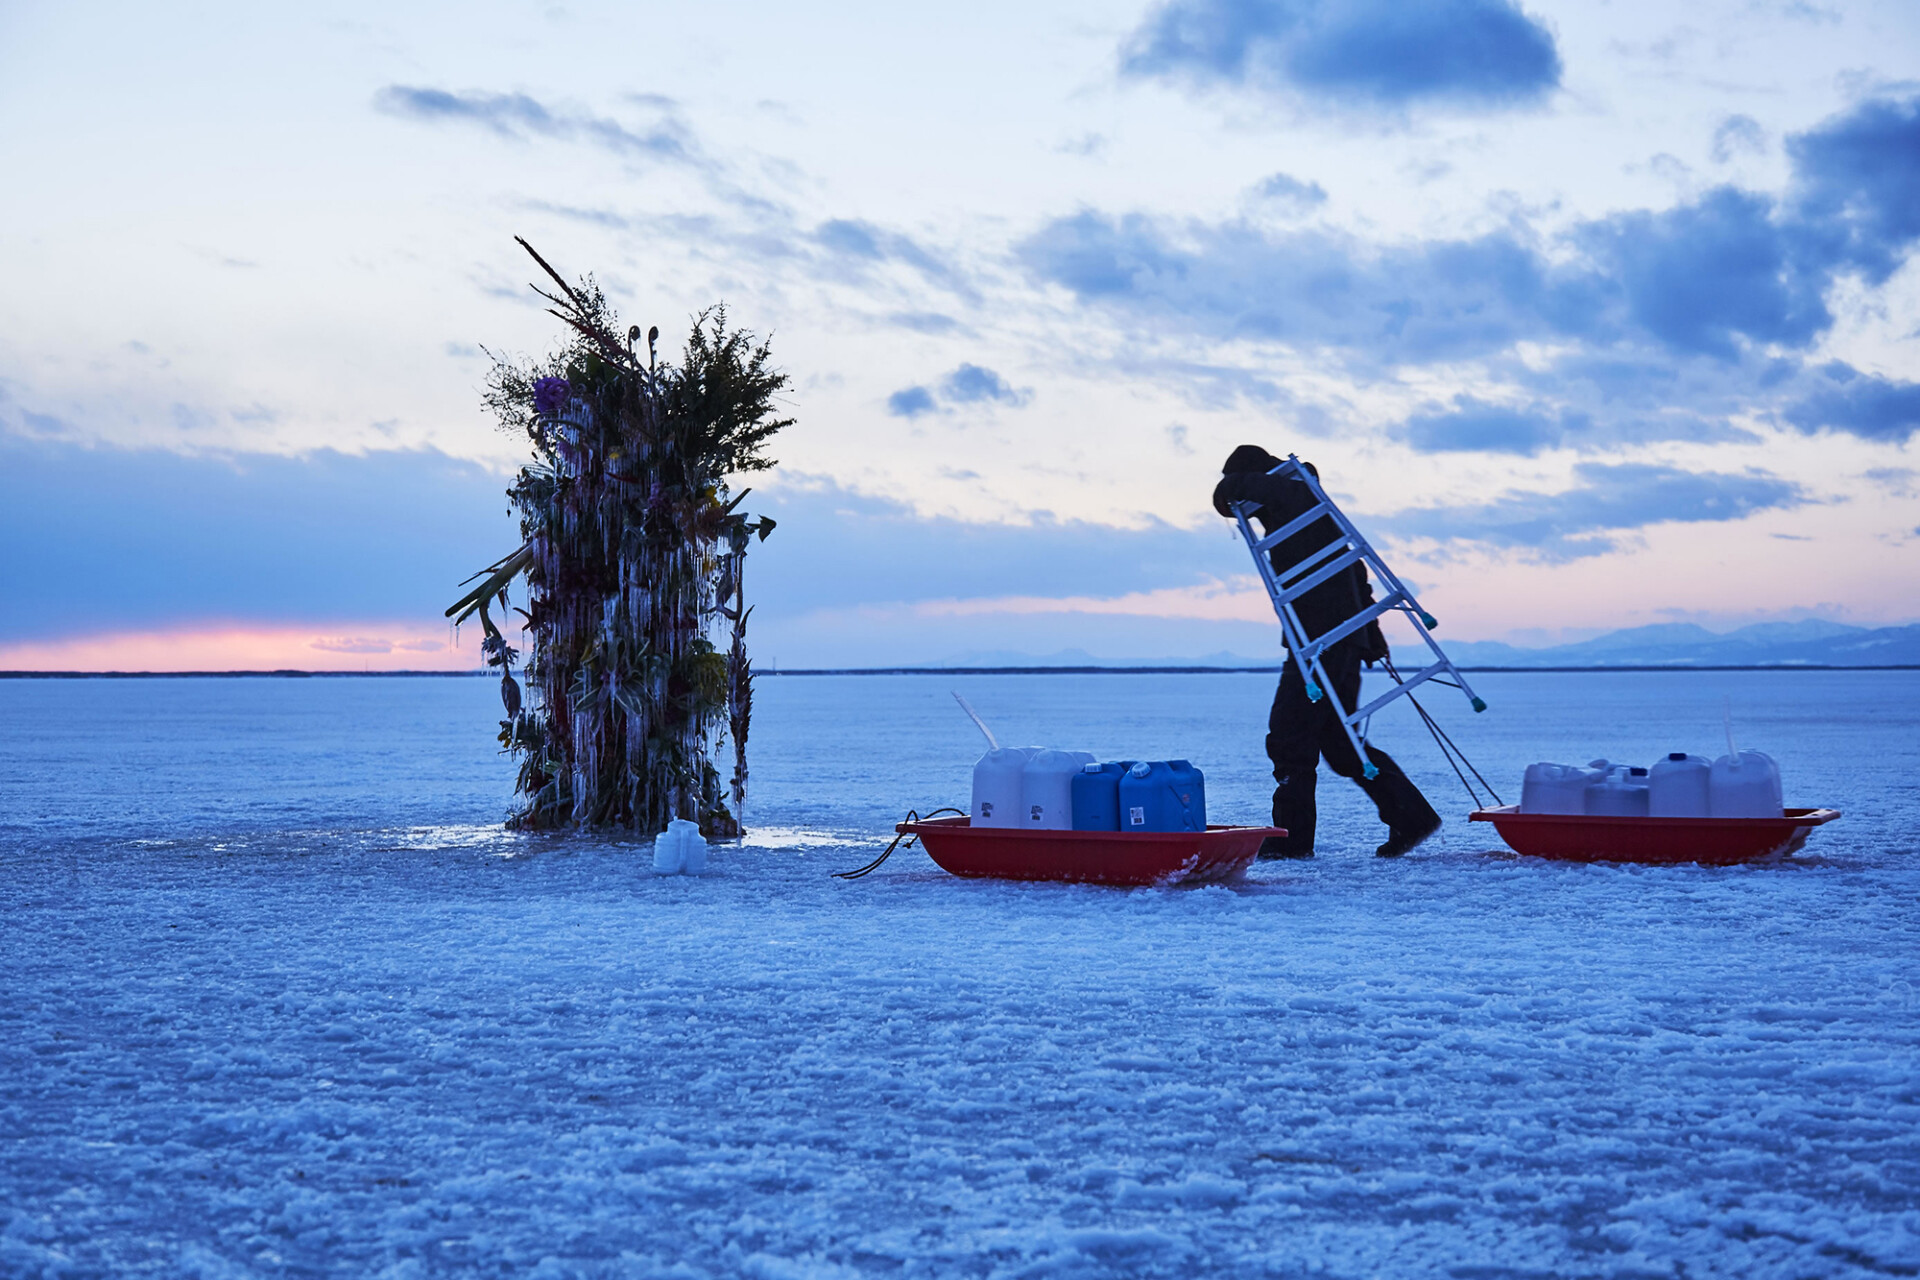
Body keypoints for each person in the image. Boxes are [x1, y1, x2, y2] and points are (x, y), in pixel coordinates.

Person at [1212, 445, 1442, 859]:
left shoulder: (1299, 496)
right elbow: (1355, 572)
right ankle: (1411, 816)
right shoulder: (1303, 510)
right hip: (1331, 638)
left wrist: (1234, 484)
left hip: (1323, 640)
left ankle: (1291, 840)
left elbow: (1228, 492)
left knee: (1289, 736)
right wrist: (1370, 635)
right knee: (1338, 743)